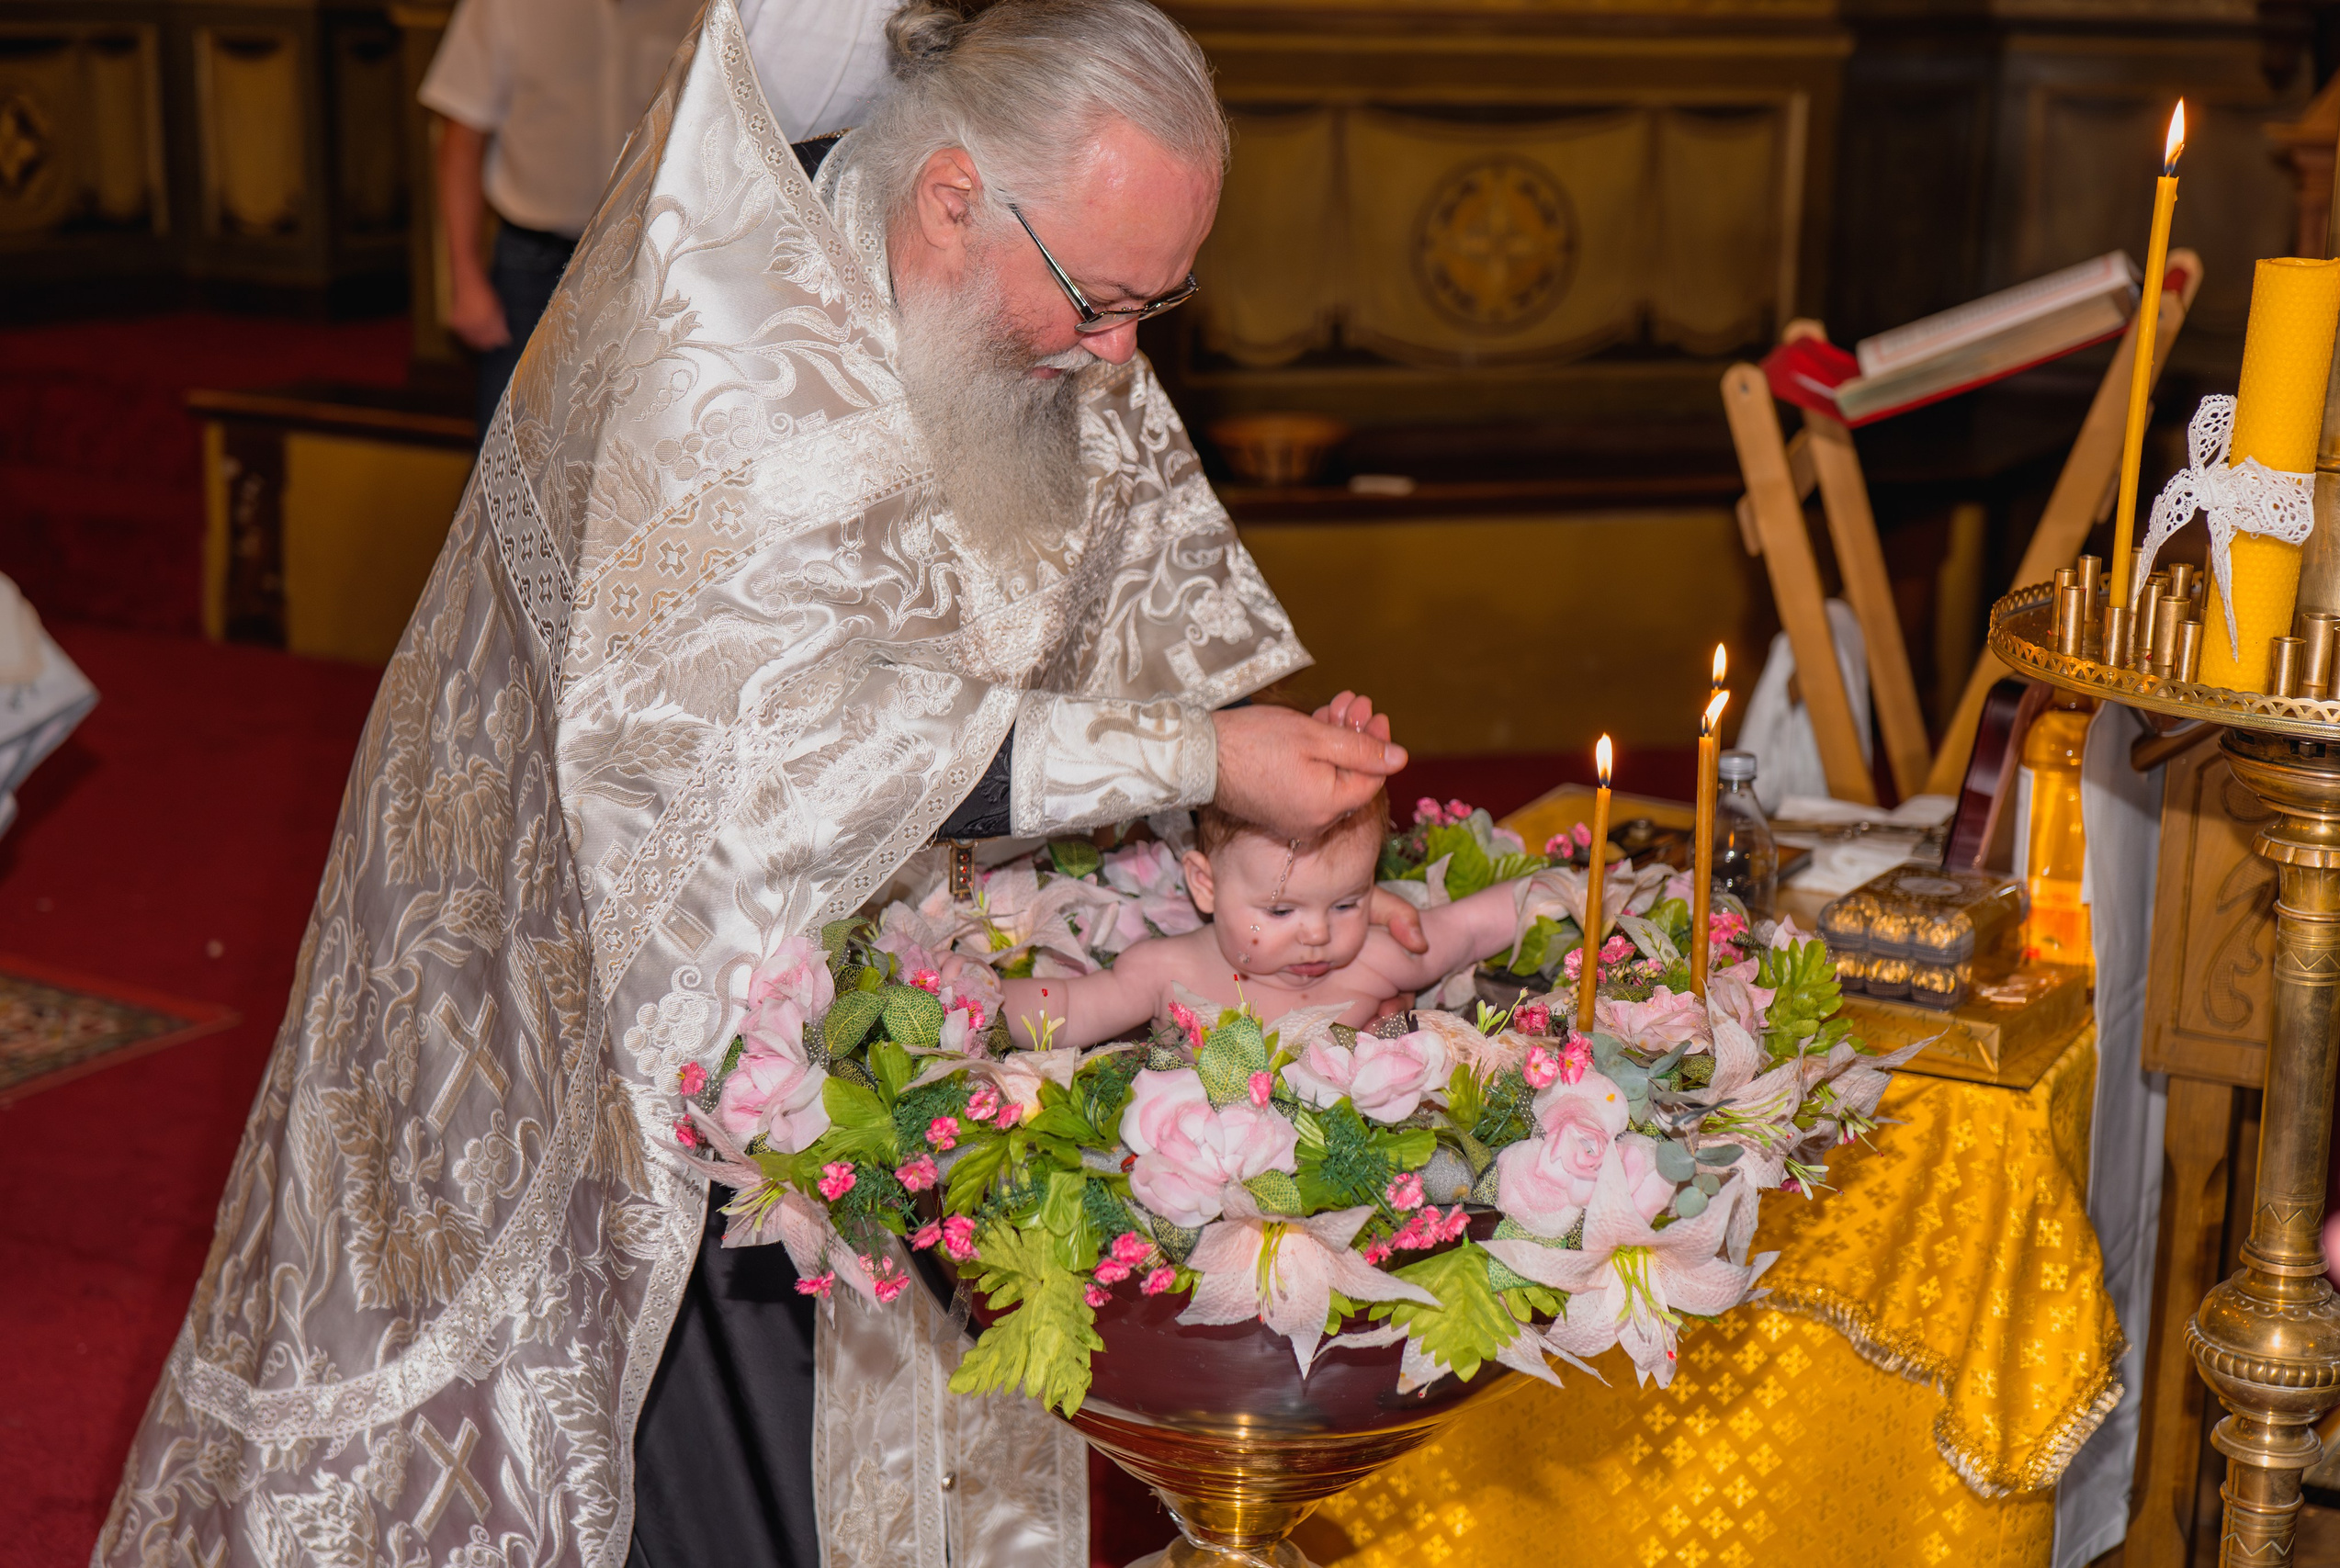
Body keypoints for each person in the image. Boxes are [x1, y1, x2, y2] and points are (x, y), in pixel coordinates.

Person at [97, 6, 1419, 1568]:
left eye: (1158, 301)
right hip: (626, 1015)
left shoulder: (1054, 304)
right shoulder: (735, 364)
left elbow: (1147, 610)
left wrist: (1264, 770)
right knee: (703, 1480)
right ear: (947, 196)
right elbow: (762, 759)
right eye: (1102, 298)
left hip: (895, 987)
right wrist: (1199, 760)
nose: (1123, 351)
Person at [422, 0, 901, 435]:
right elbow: (461, 137)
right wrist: (463, 276)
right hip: (533, 263)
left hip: (663, 261)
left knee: (637, 440)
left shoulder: (728, 7)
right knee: (508, 437)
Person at [999, 791, 1536, 1045]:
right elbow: (1067, 1009)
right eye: (1281, 910)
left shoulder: (1374, 960)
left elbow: (1467, 928)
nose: (1320, 934)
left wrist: (1570, 892)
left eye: (1347, 903)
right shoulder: (1166, 972)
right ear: (1205, 885)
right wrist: (973, 1002)